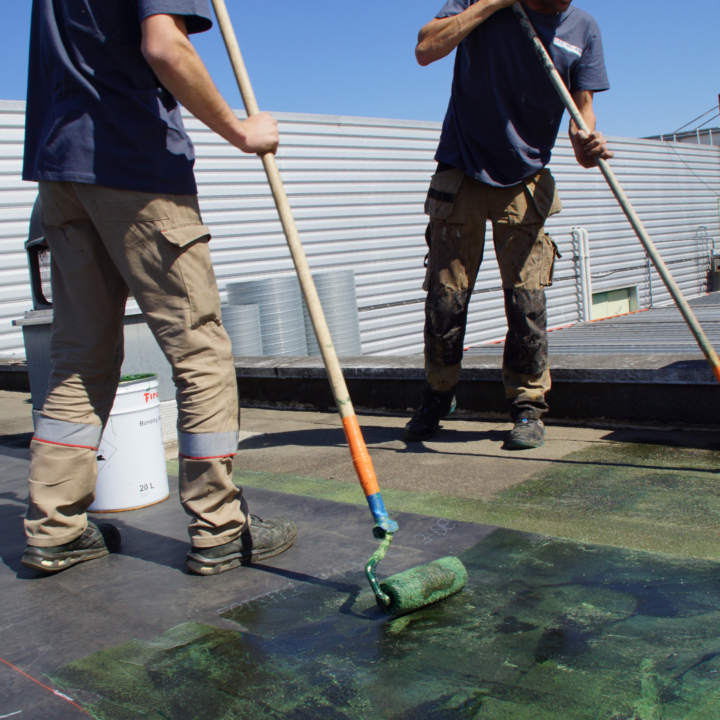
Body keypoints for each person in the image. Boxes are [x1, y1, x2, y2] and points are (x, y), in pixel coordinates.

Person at [20, 0, 296, 575]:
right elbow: (166, 46)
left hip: (61, 175)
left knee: (79, 355)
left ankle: (55, 527)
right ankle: (220, 527)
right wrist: (240, 130)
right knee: (201, 351)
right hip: (135, 169)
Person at [404, 0, 614, 449]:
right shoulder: (482, 3)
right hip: (460, 171)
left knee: (527, 302)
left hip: (527, 179)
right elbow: (425, 48)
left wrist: (586, 139)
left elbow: (583, 109)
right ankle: (437, 397)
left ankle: (527, 406)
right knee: (445, 301)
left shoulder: (583, 27)